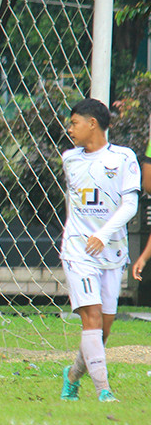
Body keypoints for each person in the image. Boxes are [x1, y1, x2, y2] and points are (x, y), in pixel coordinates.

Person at [59, 98, 139, 403]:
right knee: (90, 318)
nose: (70, 129)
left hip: (112, 252)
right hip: (78, 248)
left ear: (93, 123)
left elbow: (129, 205)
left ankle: (71, 376)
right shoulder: (70, 159)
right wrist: (91, 235)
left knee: (103, 330)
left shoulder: (124, 158)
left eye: (74, 122)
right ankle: (104, 391)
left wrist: (103, 235)